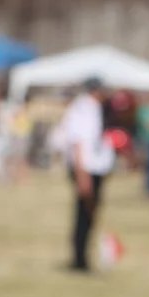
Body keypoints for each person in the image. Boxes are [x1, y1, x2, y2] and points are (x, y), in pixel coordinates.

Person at [61, 77, 115, 271]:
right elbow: (78, 143)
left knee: (89, 214)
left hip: (93, 168)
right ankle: (79, 259)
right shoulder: (83, 109)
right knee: (84, 214)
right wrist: (82, 175)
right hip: (85, 168)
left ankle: (83, 257)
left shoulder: (92, 108)